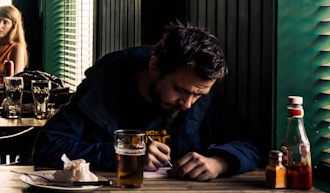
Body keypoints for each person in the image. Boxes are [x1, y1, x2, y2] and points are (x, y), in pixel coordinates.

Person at [33, 21, 261, 181]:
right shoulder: (104, 86)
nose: (188, 103)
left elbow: (247, 146)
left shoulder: (200, 92)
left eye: (198, 95)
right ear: (154, 66)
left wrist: (219, 163)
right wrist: (124, 156)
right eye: (180, 90)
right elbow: (49, 147)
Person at [0, 5, 28, 81]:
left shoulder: (16, 48)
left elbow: (16, 81)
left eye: (5, 22)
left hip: (2, 91)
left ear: (13, 26)